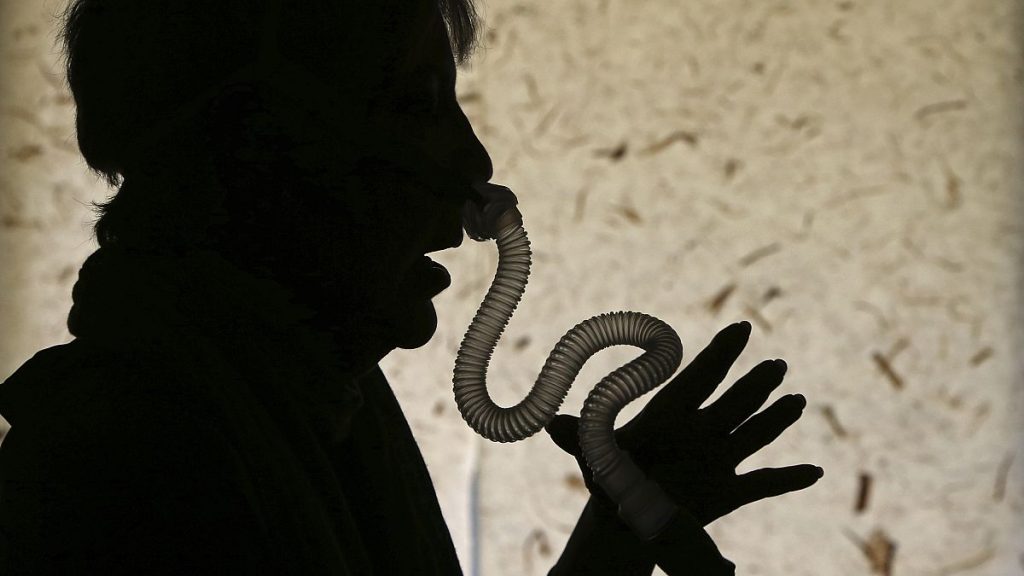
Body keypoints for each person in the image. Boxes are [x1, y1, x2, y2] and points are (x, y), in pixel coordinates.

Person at [0, 0, 823, 574]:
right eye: (415, 104)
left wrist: (623, 528)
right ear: (254, 149)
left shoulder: (325, 404)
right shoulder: (124, 471)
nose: (472, 165)